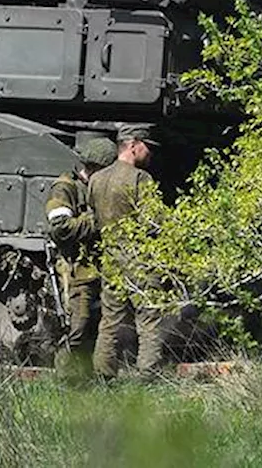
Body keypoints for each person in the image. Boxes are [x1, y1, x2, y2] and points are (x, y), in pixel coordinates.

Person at [88, 123, 162, 380]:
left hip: (111, 259)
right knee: (149, 317)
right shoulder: (141, 179)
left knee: (109, 320)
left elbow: (94, 221)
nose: (150, 153)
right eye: (147, 147)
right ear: (133, 145)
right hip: (138, 259)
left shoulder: (96, 179)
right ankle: (148, 375)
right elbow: (155, 223)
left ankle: (103, 374)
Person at [45, 136, 117, 377]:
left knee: (96, 327)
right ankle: (65, 376)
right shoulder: (66, 187)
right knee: (78, 325)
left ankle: (85, 378)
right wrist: (97, 222)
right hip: (76, 269)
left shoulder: (97, 187)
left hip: (97, 267)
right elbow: (60, 228)